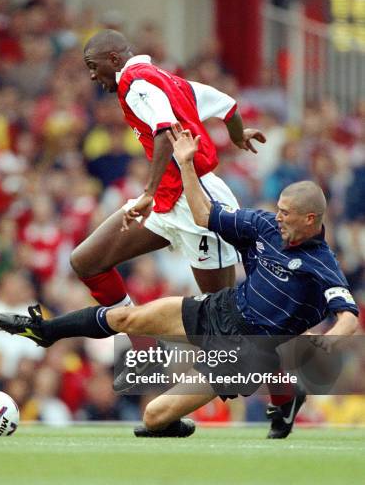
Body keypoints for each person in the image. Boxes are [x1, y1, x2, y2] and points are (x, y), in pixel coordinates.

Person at [0, 125, 359, 439]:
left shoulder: (320, 262)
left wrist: (329, 342)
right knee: (127, 318)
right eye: (278, 209)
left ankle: (279, 393)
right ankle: (45, 331)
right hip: (223, 309)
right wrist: (185, 162)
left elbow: (348, 315)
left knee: (153, 416)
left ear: (310, 219)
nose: (277, 217)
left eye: (286, 214)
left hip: (250, 352)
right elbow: (204, 215)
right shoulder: (264, 225)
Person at [73, 29, 266, 309]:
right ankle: (131, 329)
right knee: (86, 262)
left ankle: (261, 350)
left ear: (114, 59)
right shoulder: (164, 78)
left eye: (93, 66)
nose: (92, 75)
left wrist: (148, 192)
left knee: (219, 319)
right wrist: (237, 135)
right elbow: (226, 105)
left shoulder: (133, 81)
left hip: (195, 201)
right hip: (167, 200)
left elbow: (164, 131)